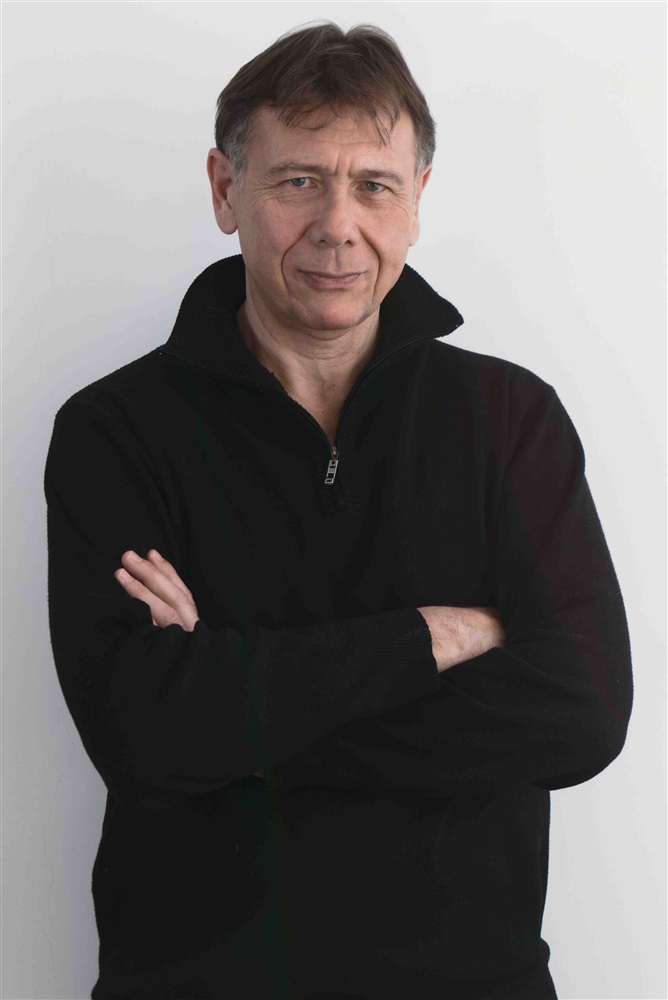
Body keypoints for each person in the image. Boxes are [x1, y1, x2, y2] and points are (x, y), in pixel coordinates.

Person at [44, 22, 632, 1000]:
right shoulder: (115, 431)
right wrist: (429, 636)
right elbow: (141, 737)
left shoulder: (507, 418)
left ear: (417, 201)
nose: (338, 224)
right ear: (225, 190)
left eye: (374, 185)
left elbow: (580, 715)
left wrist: (233, 710)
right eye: (298, 180)